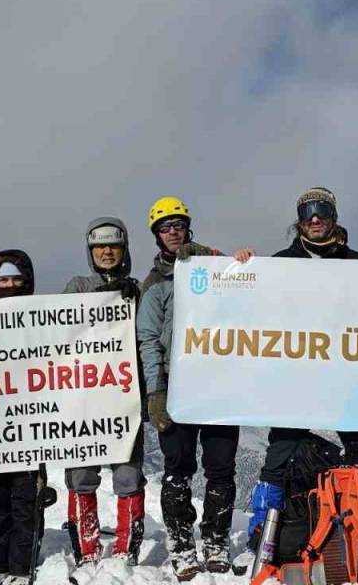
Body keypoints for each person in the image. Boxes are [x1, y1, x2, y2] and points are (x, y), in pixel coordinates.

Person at [238, 187, 358, 561]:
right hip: (296, 377)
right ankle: (262, 533)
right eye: (307, 212)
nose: (315, 218)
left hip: (347, 378)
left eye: (322, 210)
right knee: (280, 454)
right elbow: (250, 307)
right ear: (299, 220)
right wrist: (241, 269)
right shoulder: (280, 264)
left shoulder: (357, 264)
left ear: (334, 216)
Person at [137, 196, 239, 580]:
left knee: (221, 466)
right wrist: (155, 392)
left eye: (178, 225)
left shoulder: (210, 264)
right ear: (156, 235)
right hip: (176, 384)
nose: (173, 232)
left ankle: (215, 540)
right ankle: (181, 544)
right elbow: (148, 340)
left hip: (216, 381)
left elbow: (243, 282)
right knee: (178, 468)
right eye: (165, 227)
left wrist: (221, 258)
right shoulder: (154, 284)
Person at [60, 218, 148, 570]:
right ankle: (87, 547)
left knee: (128, 474)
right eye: (100, 247)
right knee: (82, 474)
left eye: (114, 246)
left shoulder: (137, 289)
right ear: (90, 251)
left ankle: (126, 548)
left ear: (124, 250)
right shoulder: (77, 287)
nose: (107, 252)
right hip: (83, 397)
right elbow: (53, 327)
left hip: (124, 398)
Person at [0, 249, 47, 584]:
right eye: (3, 280)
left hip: (30, 422)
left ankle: (21, 568)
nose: (10, 285)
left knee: (25, 499)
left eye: (17, 279)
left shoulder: (42, 317)